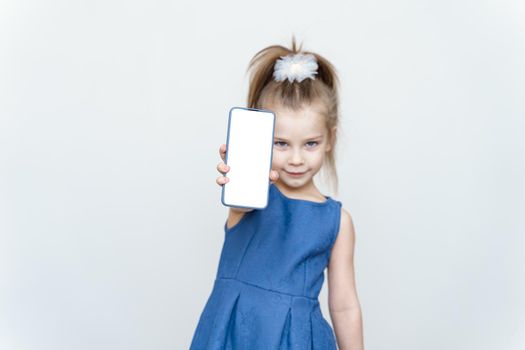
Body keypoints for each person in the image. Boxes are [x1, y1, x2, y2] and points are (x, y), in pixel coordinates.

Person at [190, 37, 364, 350]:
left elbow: (344, 305)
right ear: (260, 139)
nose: (296, 159)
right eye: (280, 143)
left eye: (310, 143)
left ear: (329, 139)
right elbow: (241, 206)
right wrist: (239, 174)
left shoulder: (338, 221)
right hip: (234, 332)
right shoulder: (252, 196)